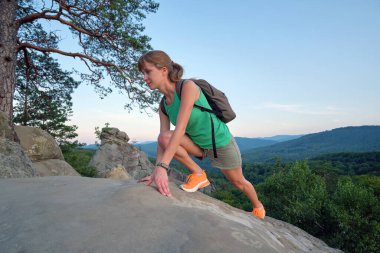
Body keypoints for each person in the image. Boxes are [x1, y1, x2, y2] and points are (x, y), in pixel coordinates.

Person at [137, 50, 265, 219]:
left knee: (238, 182)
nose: (144, 78)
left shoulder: (187, 87)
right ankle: (198, 174)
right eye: (143, 73)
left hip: (220, 143)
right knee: (164, 137)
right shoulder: (163, 106)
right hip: (197, 145)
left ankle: (258, 207)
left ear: (163, 70)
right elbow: (163, 141)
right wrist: (156, 171)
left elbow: (180, 128)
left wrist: (163, 167)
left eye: (148, 71)